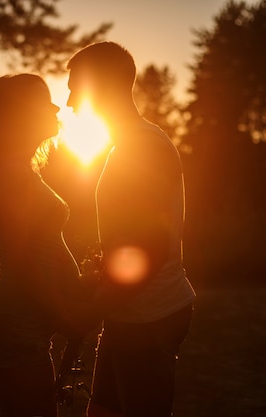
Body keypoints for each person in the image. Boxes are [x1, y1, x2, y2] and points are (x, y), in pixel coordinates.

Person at [65, 41, 197, 417]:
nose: (71, 103)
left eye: (75, 88)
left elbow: (148, 250)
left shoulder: (144, 148)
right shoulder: (124, 148)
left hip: (151, 316)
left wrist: (90, 313)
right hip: (128, 314)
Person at [0, 73, 92, 417]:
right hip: (13, 321)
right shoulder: (9, 173)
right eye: (43, 100)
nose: (55, 107)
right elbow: (21, 262)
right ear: (20, 113)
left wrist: (81, 285)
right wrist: (65, 312)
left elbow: (41, 248)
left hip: (27, 321)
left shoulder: (21, 170)